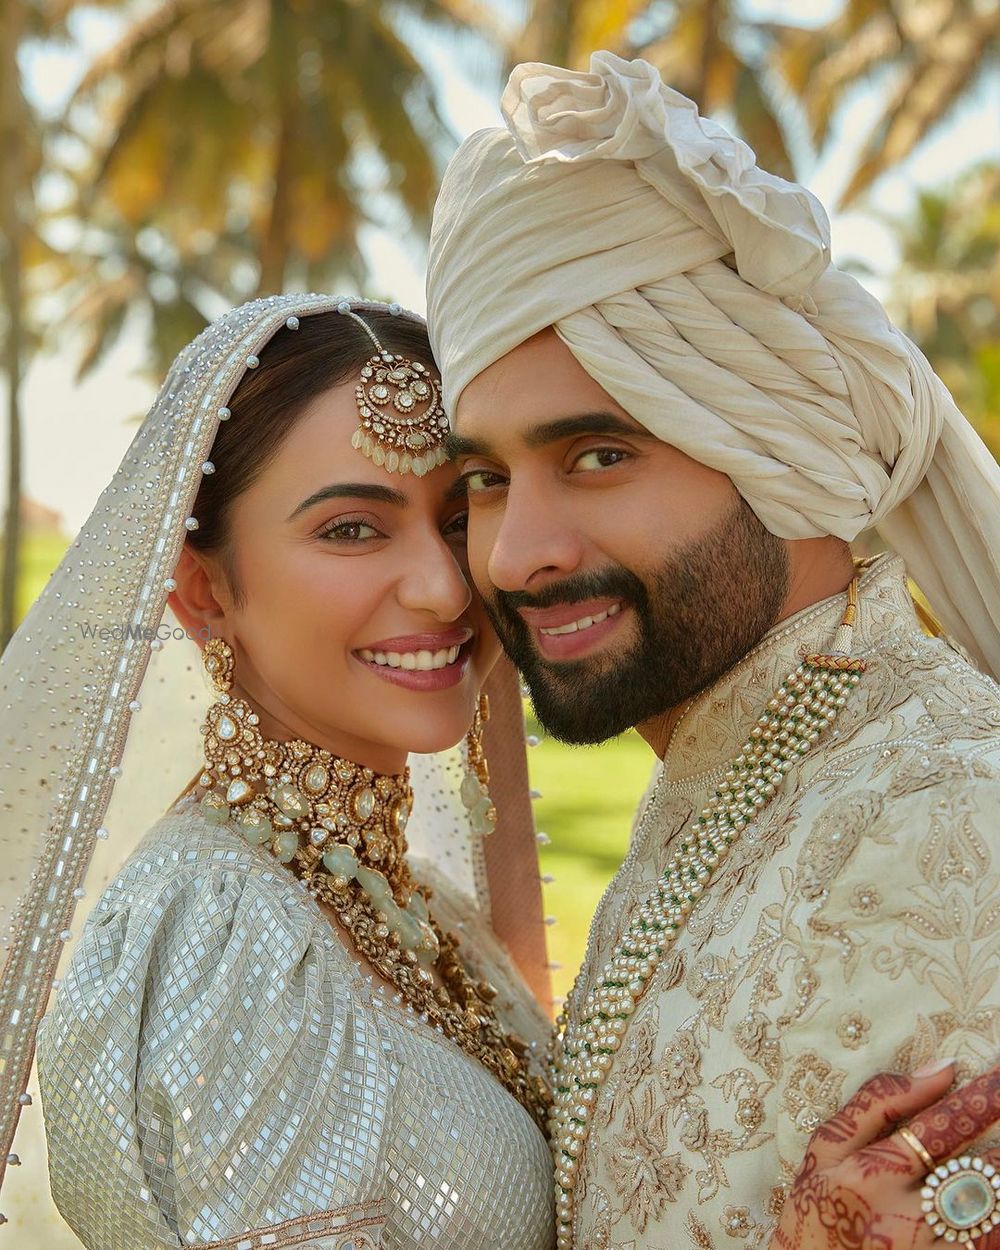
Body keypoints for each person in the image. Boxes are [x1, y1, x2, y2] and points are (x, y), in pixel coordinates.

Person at [425, 51, 1000, 1250]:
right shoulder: (731, 782)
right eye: (484, 477)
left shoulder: (951, 813)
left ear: (775, 451)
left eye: (597, 454)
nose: (516, 552)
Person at [0, 296, 556, 1250]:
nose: (447, 584)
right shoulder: (228, 939)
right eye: (351, 528)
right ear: (202, 591)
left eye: (463, 516)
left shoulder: (409, 903)